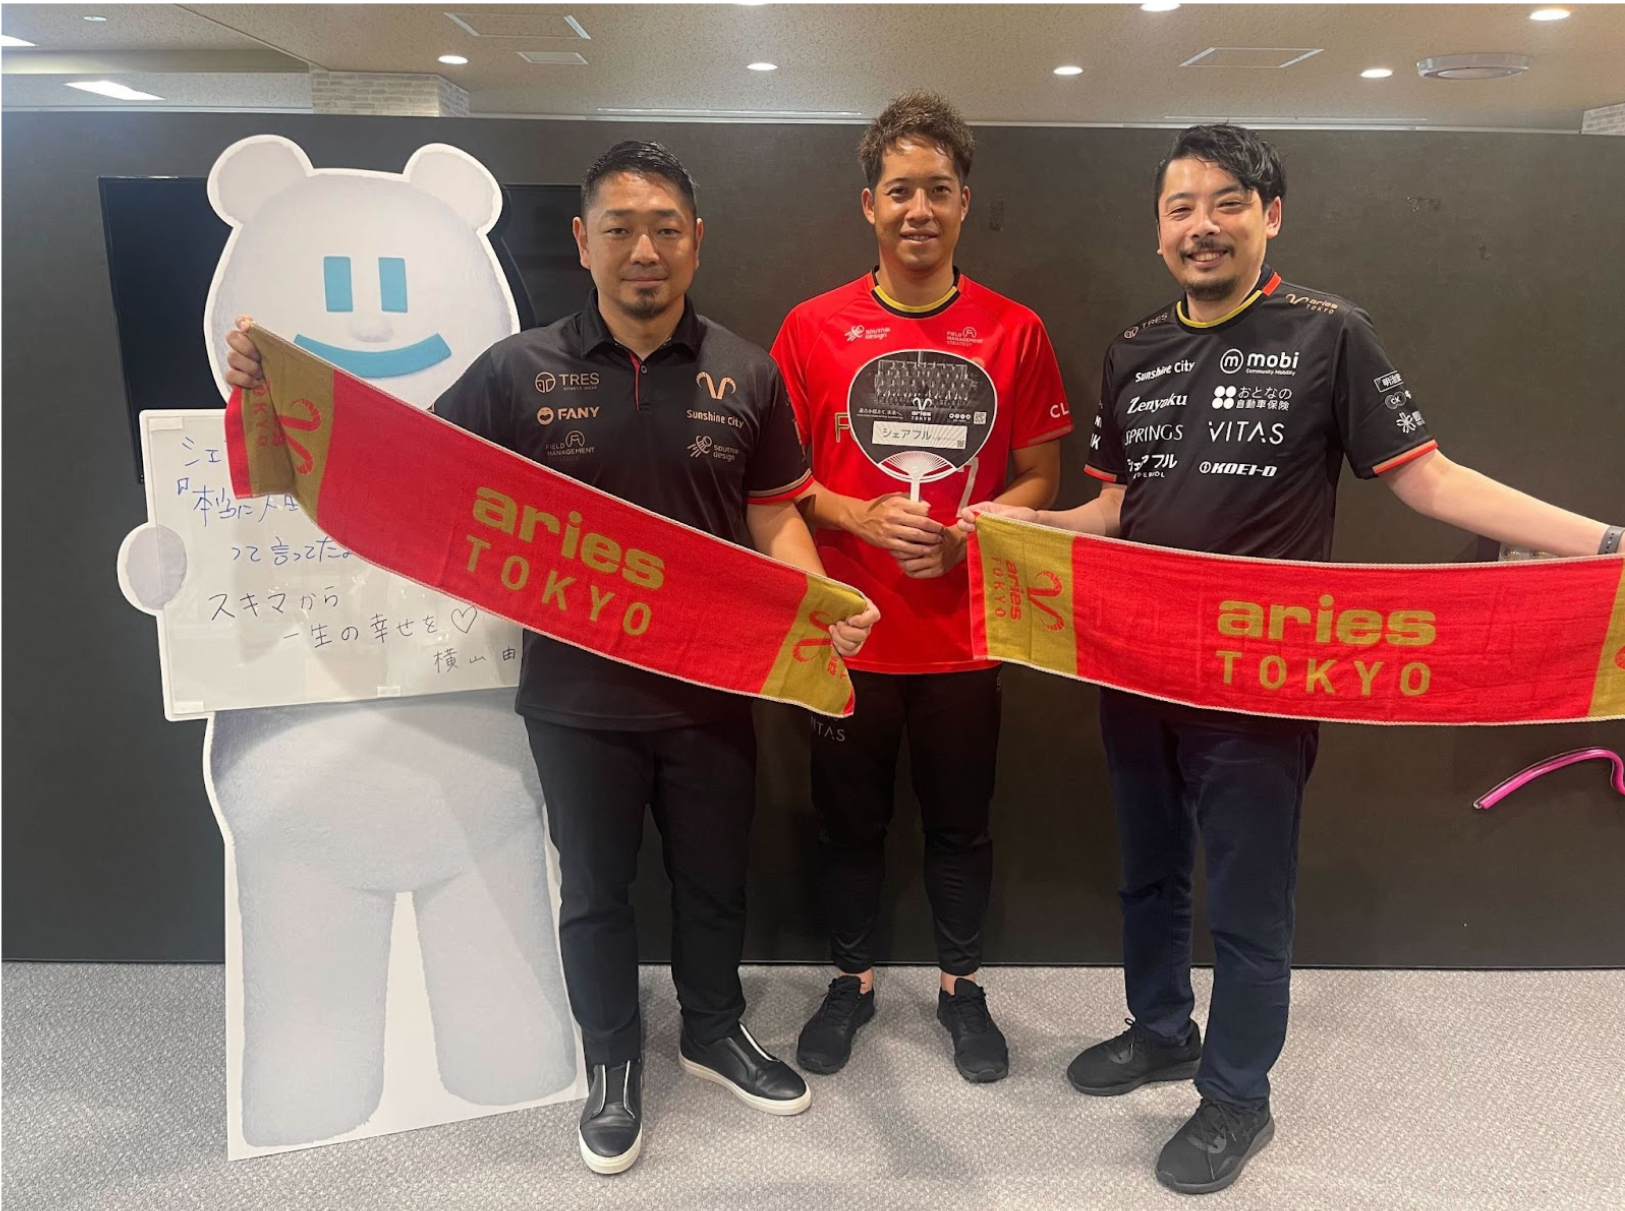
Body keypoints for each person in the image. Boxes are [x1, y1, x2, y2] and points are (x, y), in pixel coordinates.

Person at [960, 123, 1622, 1194]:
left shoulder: (1330, 332)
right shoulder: (1132, 349)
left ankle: (1236, 1096)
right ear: (1157, 229)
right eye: (1180, 207)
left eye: (1226, 202)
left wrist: (1599, 542)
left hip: (1259, 676)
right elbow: (1114, 510)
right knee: (1147, 869)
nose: (1201, 225)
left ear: (1269, 215)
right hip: (1136, 662)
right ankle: (1160, 1029)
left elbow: (1428, 478)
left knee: (1246, 897)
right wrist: (1022, 523)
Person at [223, 140, 879, 1177]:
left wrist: (819, 600)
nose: (643, 250)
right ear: (582, 240)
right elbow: (401, 465)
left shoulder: (746, 372)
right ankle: (610, 1061)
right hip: (576, 696)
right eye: (619, 229)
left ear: (696, 240)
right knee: (596, 892)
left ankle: (712, 1030)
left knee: (714, 883)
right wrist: (274, 389)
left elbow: (772, 516)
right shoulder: (514, 371)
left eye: (664, 228)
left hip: (713, 688)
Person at [771, 91, 1072, 1083]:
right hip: (846, 635)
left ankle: (960, 987)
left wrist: (970, 531)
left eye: (937, 190)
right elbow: (775, 483)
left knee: (960, 825)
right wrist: (855, 517)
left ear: (962, 202)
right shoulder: (809, 328)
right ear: (869, 204)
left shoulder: (1013, 330)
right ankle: (849, 981)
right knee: (846, 826)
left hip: (963, 640)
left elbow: (1041, 479)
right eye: (899, 190)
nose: (918, 209)